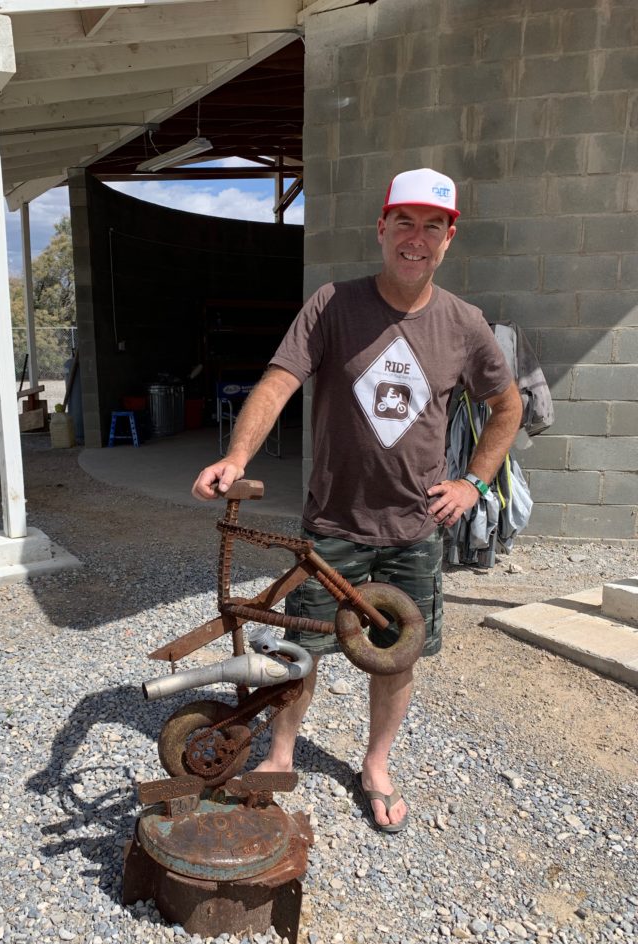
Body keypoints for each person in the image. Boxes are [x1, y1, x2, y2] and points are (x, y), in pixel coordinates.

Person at [192, 168, 522, 834]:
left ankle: (375, 764)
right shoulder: (333, 305)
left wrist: (473, 483)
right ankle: (281, 753)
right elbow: (279, 381)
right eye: (404, 222)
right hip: (333, 522)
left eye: (433, 226)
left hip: (413, 528)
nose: (416, 238)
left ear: (449, 239)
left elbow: (507, 405)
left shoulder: (464, 323)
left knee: (394, 656)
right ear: (381, 228)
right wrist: (237, 456)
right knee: (301, 649)